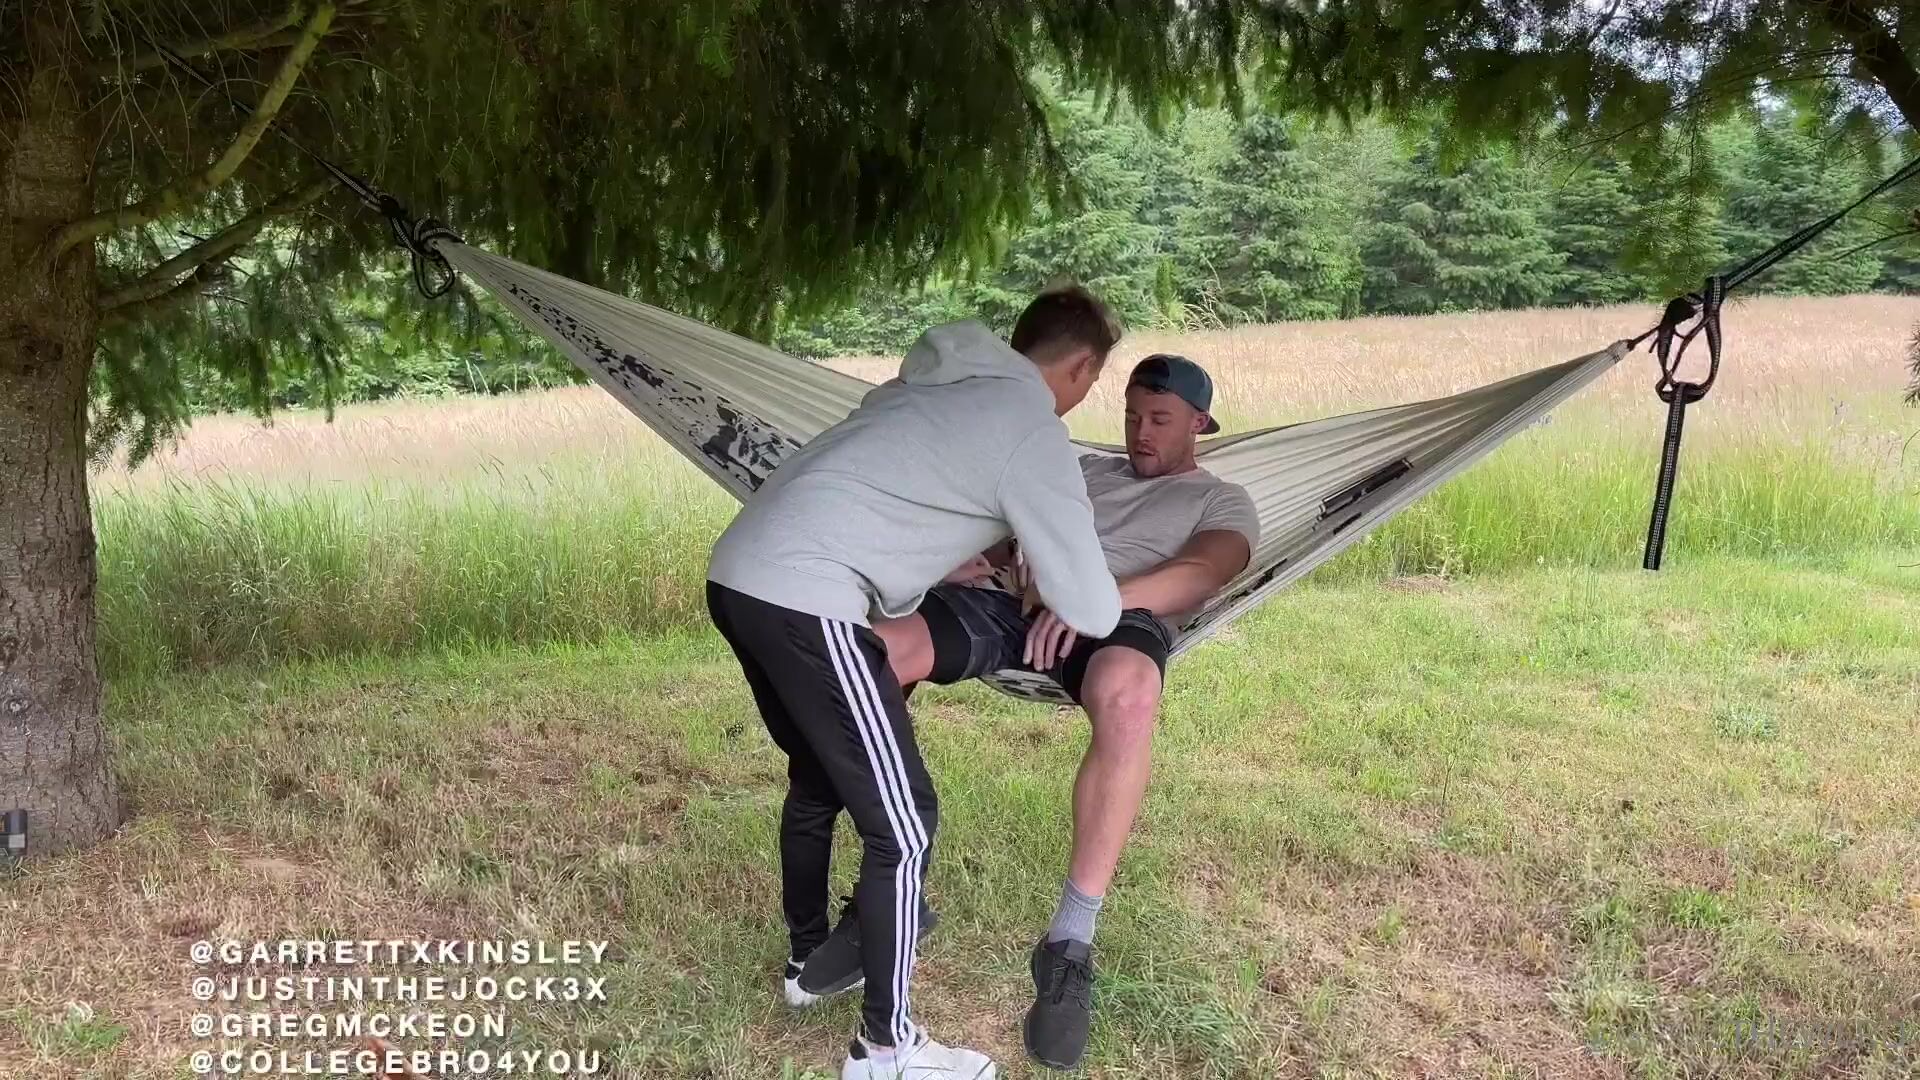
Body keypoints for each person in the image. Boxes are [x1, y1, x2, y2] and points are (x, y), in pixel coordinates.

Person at [790, 353, 1258, 1072]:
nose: (1141, 432)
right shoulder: (1084, 469)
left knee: (1131, 694)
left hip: (1119, 617)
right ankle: (890, 893)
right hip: (1012, 603)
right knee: (870, 652)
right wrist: (1007, 551)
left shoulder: (1220, 499)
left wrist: (1087, 597)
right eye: (1133, 415)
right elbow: (1000, 522)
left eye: (1160, 420)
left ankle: (1069, 943)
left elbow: (1203, 573)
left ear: (1199, 424)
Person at [705, 287, 1127, 1080]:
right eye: (1092, 383)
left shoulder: (930, 385)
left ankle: (806, 962)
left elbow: (889, 500)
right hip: (808, 596)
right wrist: (1045, 576)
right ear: (1080, 368)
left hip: (738, 576)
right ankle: (885, 1049)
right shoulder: (1031, 425)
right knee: (904, 828)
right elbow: (1093, 607)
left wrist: (945, 556)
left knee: (820, 775)